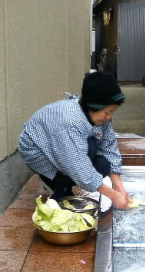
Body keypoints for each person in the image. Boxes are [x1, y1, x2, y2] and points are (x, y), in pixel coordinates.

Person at [18, 71, 131, 209]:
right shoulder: (70, 121)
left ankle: (64, 183)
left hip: (63, 147)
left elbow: (110, 148)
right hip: (38, 151)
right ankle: (57, 188)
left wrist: (120, 189)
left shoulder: (101, 118)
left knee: (103, 164)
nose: (108, 117)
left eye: (112, 112)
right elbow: (77, 166)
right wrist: (113, 195)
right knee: (88, 148)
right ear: (92, 105)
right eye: (107, 112)